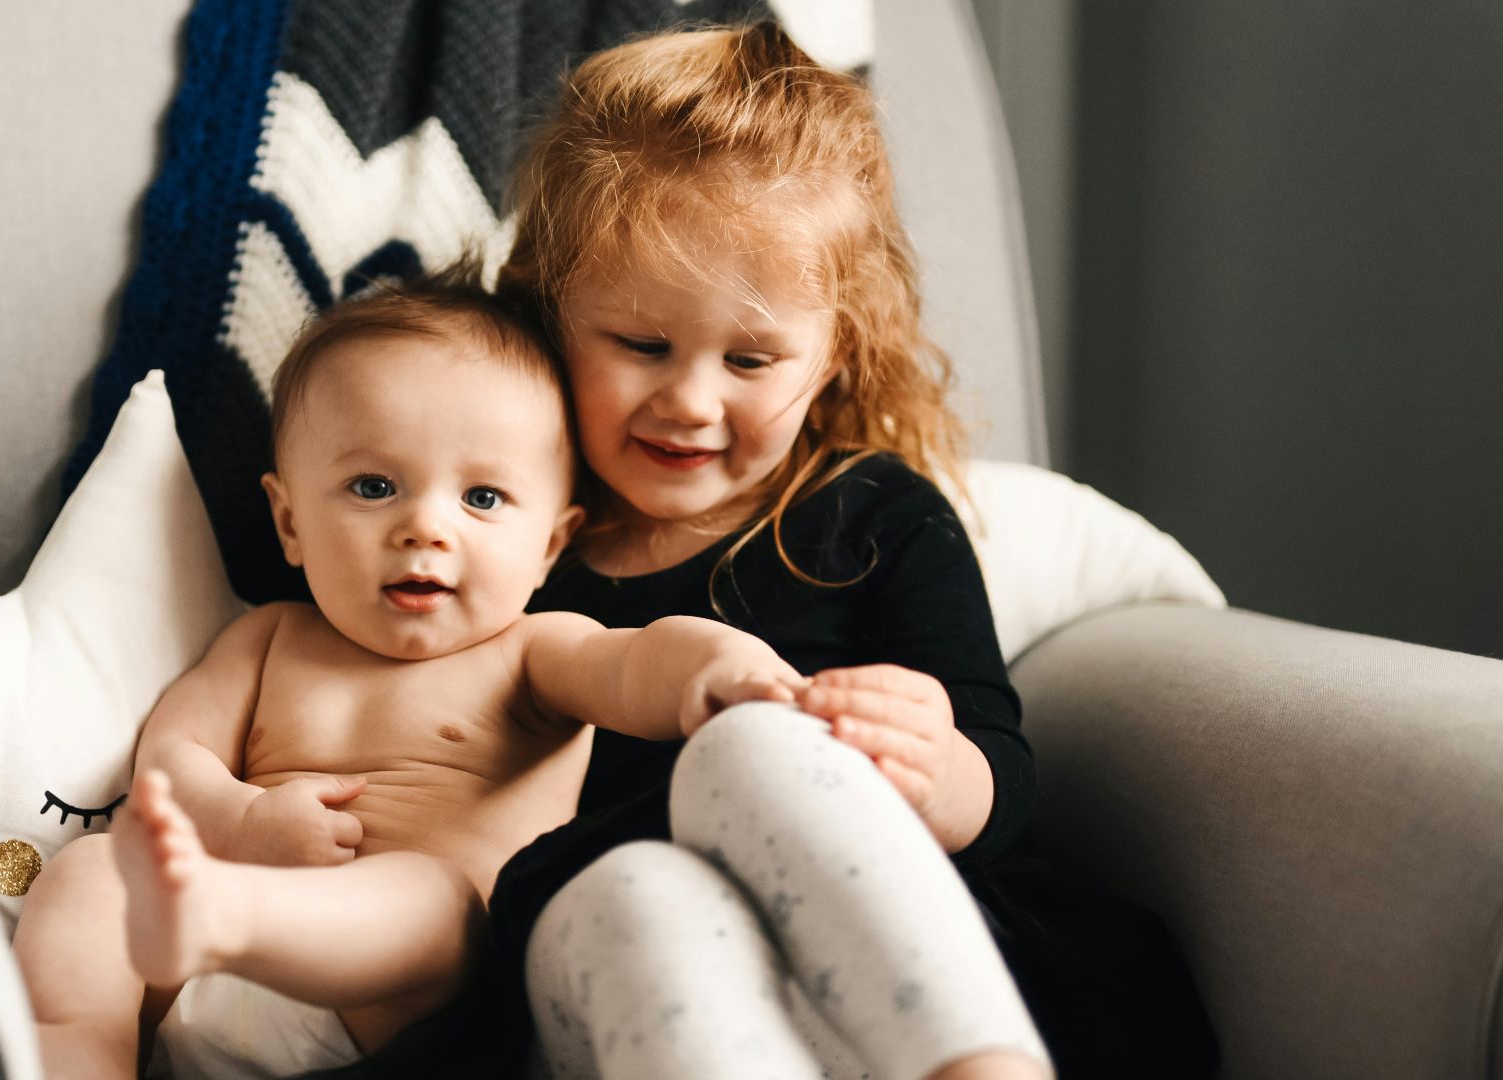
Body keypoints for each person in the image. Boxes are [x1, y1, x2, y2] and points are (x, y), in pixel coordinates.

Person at [447, 20, 1214, 1080]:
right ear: (548, 311)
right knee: (634, 890)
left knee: (751, 745)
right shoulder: (501, 530)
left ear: (834, 352)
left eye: (751, 358)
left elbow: (998, 771)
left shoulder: (873, 517)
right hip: (622, 973)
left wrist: (936, 767)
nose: (690, 400)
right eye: (639, 344)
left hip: (883, 960)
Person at [11, 273, 812, 1080]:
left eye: (483, 496)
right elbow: (171, 758)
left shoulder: (533, 653)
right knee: (90, 871)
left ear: (549, 547)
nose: (425, 526)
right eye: (373, 486)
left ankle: (235, 917)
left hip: (395, 1018)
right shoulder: (267, 638)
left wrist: (718, 667)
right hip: (196, 965)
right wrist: (242, 822)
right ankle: (79, 1050)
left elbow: (638, 663)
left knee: (437, 903)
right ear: (290, 521)